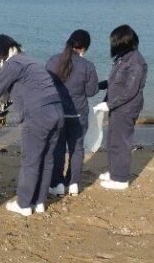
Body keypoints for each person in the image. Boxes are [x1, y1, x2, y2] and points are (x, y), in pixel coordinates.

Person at [0, 35, 63, 217]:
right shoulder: (29, 61)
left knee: (31, 159)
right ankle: (38, 202)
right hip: (57, 112)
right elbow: (11, 93)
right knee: (47, 159)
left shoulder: (12, 64)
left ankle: (24, 204)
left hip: (37, 115)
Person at [46, 29, 99, 197]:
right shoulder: (88, 66)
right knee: (77, 149)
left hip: (57, 113)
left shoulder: (53, 61)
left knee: (58, 149)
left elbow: (45, 86)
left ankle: (58, 184)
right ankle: (74, 184)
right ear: (84, 48)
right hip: (78, 115)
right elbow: (91, 91)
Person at [94, 24, 148, 190]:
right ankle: (114, 172)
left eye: (114, 42)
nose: (112, 45)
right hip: (117, 107)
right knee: (112, 140)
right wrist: (97, 86)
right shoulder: (123, 58)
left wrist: (109, 105)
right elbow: (115, 81)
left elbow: (129, 91)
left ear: (123, 42)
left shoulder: (136, 63)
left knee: (121, 142)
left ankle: (121, 179)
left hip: (126, 108)